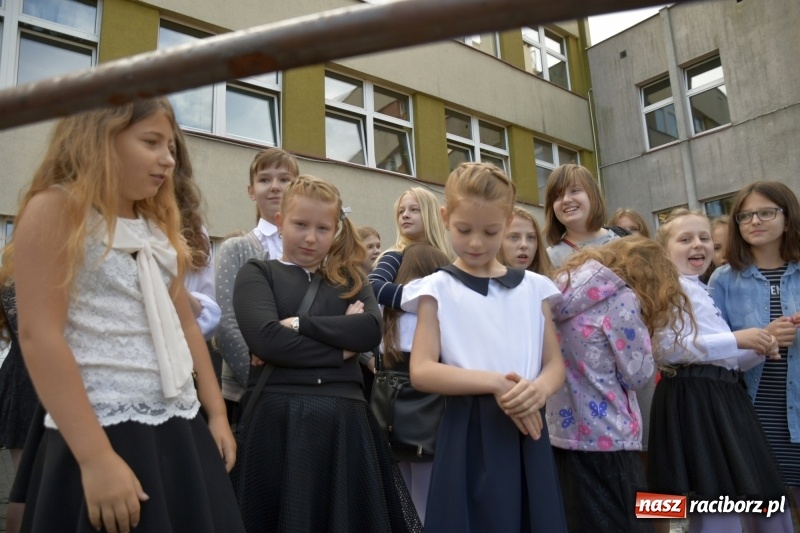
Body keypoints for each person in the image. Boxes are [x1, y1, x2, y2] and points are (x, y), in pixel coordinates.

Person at [0, 98, 243, 533]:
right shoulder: (57, 210)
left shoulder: (154, 227)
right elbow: (40, 336)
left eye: (171, 146)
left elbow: (186, 325)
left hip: (178, 421)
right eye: (152, 142)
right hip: (101, 424)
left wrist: (217, 414)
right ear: (98, 140)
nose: (168, 158)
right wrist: (95, 458)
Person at [231, 175, 420, 533]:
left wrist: (300, 325)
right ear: (279, 222)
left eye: (322, 228)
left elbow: (369, 330)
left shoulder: (351, 279)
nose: (310, 237)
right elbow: (266, 339)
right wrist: (342, 347)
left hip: (345, 424)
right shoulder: (258, 273)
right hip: (277, 420)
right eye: (300, 225)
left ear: (335, 231)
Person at [403, 162, 567, 532]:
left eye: (490, 231)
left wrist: (537, 390)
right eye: (464, 230)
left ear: (508, 223)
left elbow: (554, 364)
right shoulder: (436, 288)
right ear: (445, 218)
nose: (476, 242)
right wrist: (498, 383)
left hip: (528, 425)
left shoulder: (534, 287)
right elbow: (423, 370)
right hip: (467, 430)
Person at [651, 208, 786, 533]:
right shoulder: (666, 288)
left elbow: (724, 360)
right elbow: (666, 348)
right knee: (711, 493)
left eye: (704, 238)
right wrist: (736, 338)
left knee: (751, 492)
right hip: (693, 399)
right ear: (664, 251)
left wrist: (758, 347)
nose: (697, 244)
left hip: (723, 398)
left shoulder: (701, 289)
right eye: (685, 239)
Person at [548, 237, 688, 533]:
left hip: (561, 434)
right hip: (611, 435)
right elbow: (637, 375)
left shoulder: (558, 293)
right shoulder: (621, 298)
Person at [710, 182, 800, 532]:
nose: (754, 221)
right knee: (764, 522)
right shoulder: (723, 279)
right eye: (745, 216)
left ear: (788, 217)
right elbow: (712, 352)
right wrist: (762, 340)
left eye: (766, 212)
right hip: (752, 417)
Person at [215, 147, 299, 418]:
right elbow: (226, 323)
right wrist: (258, 380)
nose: (275, 187)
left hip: (307, 392)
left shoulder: (315, 249)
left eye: (284, 179)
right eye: (265, 179)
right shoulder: (236, 249)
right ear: (251, 190)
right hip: (250, 392)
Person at [380, 242, 451, 524]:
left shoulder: (389, 315)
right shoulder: (432, 307)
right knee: (427, 501)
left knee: (403, 498)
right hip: (428, 413)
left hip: (390, 413)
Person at [173, 125, 220, 341]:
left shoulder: (195, 231)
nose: (164, 160)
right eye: (149, 143)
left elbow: (208, 316)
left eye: (171, 152)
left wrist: (171, 282)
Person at [369, 187, 450, 310]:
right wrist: (418, 298)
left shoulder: (445, 259)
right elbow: (372, 285)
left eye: (414, 210)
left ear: (431, 214)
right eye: (401, 211)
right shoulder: (396, 254)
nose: (405, 215)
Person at [545, 164, 620, 267]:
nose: (566, 200)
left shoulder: (623, 237)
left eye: (575, 190)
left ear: (592, 195)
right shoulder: (549, 259)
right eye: (557, 196)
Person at [498, 206, 552, 276]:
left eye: (531, 237)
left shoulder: (549, 283)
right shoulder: (487, 284)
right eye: (514, 237)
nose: (524, 245)